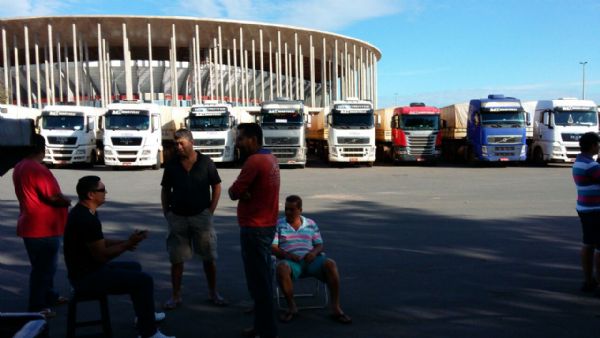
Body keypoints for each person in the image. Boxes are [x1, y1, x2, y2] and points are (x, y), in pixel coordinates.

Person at [63, 176, 173, 338]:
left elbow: (100, 242)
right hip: (86, 278)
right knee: (144, 281)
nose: (105, 193)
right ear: (91, 194)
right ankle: (148, 332)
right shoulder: (86, 219)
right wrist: (127, 244)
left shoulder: (87, 211)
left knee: (134, 268)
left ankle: (144, 317)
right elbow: (101, 256)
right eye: (102, 190)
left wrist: (125, 241)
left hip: (88, 270)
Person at [161, 128, 226, 309]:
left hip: (201, 217)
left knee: (209, 258)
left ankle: (213, 292)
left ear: (191, 142)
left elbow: (217, 186)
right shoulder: (172, 164)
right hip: (178, 218)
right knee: (176, 259)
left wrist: (210, 210)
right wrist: (167, 212)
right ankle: (175, 296)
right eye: (176, 144)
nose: (178, 147)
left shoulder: (206, 163)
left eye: (181, 143)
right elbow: (165, 189)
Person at [229, 123, 280, 338]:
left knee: (260, 283)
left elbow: (234, 191)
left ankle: (266, 331)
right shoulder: (271, 158)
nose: (237, 143)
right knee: (263, 279)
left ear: (252, 139)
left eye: (240, 138)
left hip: (254, 227)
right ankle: (261, 327)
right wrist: (246, 192)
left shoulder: (254, 161)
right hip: (267, 225)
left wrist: (242, 192)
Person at [12, 133, 71, 317]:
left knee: (43, 267)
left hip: (31, 225)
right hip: (43, 228)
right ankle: (38, 307)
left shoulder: (20, 166)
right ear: (42, 149)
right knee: (43, 270)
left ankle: (50, 296)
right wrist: (66, 202)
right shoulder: (37, 169)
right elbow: (52, 196)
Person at [272, 195, 352, 324]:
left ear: (300, 210)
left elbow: (319, 245)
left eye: (292, 209)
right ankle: (292, 307)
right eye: (286, 209)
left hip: (311, 260)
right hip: (292, 263)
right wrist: (288, 255)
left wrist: (314, 253)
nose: (288, 212)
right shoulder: (279, 225)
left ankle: (336, 308)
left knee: (331, 264)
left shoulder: (311, 223)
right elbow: (273, 247)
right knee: (281, 268)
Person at [573, 132, 600, 293]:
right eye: (597, 144)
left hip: (584, 207)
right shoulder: (591, 166)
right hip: (596, 209)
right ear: (592, 146)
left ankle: (589, 281)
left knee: (588, 243)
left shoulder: (579, 161)